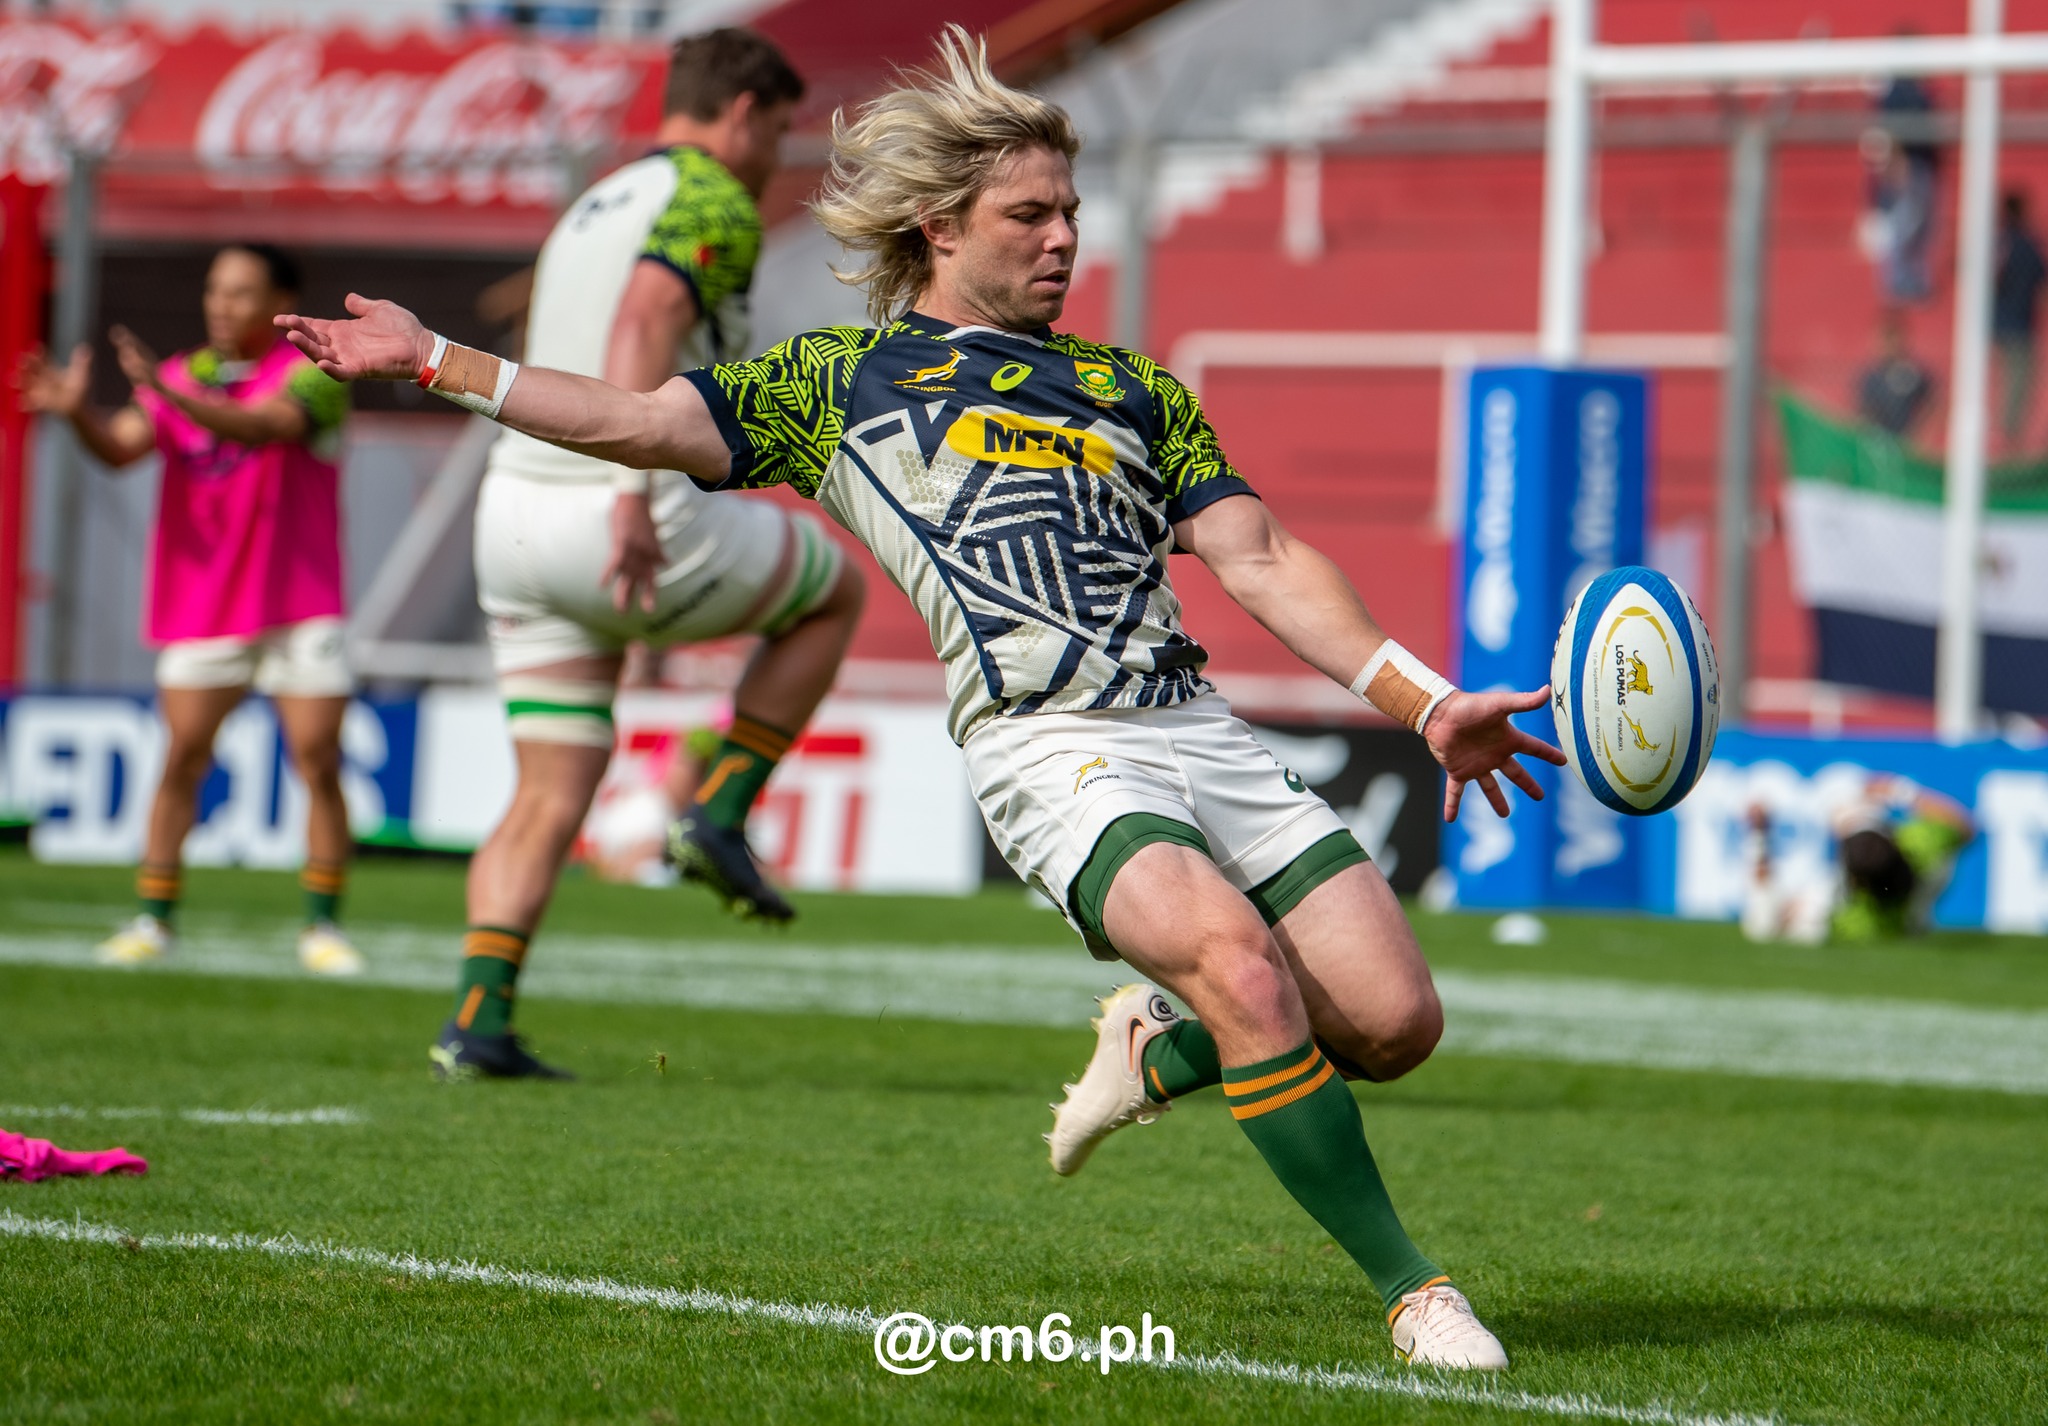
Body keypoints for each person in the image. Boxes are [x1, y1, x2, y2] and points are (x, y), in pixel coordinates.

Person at [277, 26, 1562, 1369]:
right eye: (1032, 213)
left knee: (1394, 1022)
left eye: (1070, 210)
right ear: (942, 228)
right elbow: (638, 420)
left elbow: (1263, 556)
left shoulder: (1134, 387)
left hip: (1197, 732)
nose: (1065, 236)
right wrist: (435, 358)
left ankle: (1156, 1052)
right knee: (1242, 965)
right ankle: (1416, 1291)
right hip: (1052, 750)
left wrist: (1423, 700)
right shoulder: (840, 380)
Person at [426, 28, 866, 1081]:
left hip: (516, 515)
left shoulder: (596, 200)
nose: (773, 161)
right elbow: (647, 320)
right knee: (833, 588)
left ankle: (477, 1021)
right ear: (744, 113)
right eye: (777, 133)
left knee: (547, 787)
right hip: (619, 507)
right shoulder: (709, 192)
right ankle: (717, 808)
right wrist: (631, 490)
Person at [17, 243, 362, 977]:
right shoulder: (183, 374)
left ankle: (322, 928)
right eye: (214, 290)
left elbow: (266, 427)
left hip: (300, 602)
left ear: (280, 301)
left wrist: (167, 397)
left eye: (240, 293)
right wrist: (79, 413)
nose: (221, 305)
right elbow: (118, 449)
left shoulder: (315, 372)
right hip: (206, 604)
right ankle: (154, 917)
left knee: (318, 759)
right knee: (181, 759)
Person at [1742, 775, 1975, 945]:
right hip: (1917, 910)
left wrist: (1759, 835)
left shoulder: (1853, 921)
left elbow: (1763, 924)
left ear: (1854, 880)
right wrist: (1901, 792)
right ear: (1891, 839)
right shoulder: (1921, 846)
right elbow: (1966, 826)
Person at [1995, 188, 2046, 446]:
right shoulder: (2026, 246)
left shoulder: (1995, 243)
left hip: (1992, 325)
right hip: (2017, 327)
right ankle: (2008, 437)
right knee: (2018, 381)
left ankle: (2003, 435)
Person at [1855, 311, 1935, 438]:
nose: (1883, 346)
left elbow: (1932, 401)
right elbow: (1861, 412)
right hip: (1876, 443)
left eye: (1889, 340)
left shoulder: (1913, 374)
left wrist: (1919, 432)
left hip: (1902, 443)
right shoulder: (1870, 377)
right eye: (1880, 340)